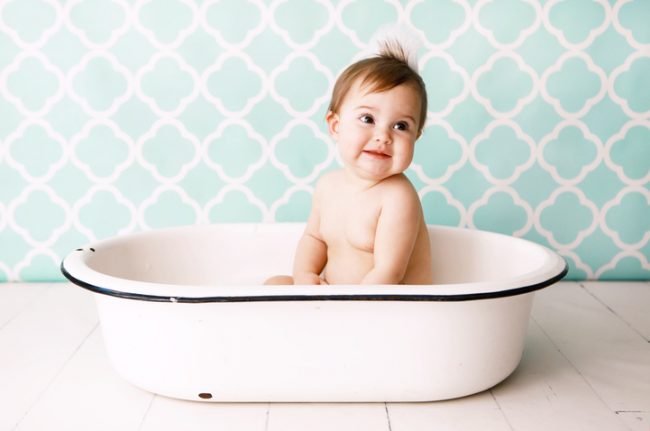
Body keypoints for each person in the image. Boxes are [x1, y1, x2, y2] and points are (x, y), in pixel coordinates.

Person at [265, 39, 433, 285]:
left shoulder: (398, 197)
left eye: (401, 126)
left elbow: (389, 273)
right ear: (336, 126)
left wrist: (348, 308)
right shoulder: (328, 186)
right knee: (275, 284)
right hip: (339, 300)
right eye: (367, 119)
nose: (383, 137)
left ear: (416, 136)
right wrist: (305, 276)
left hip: (389, 306)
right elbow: (314, 238)